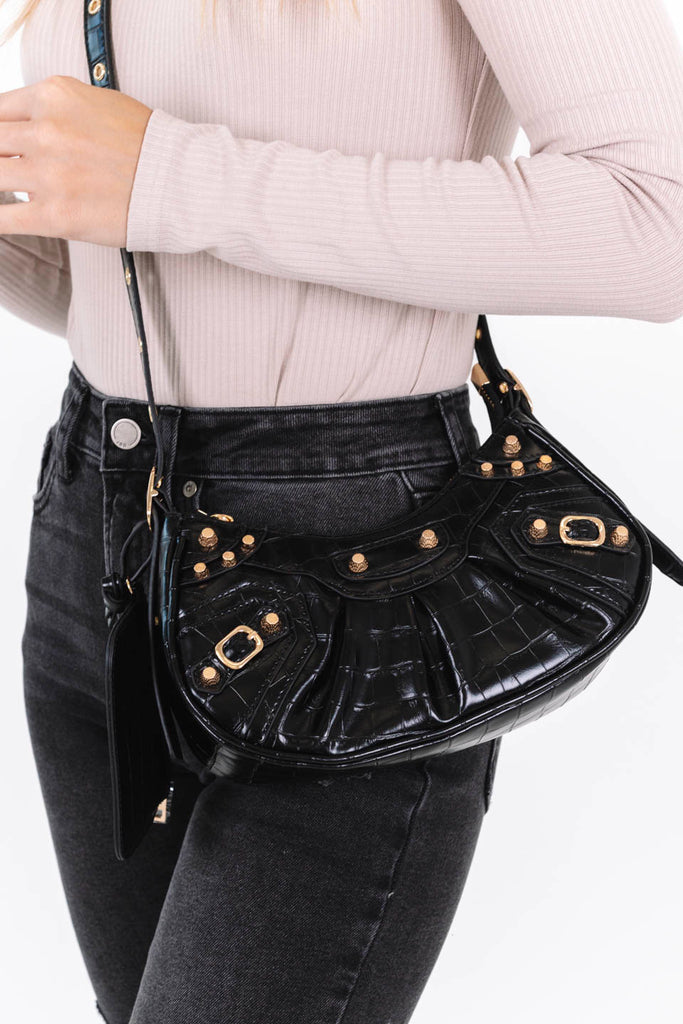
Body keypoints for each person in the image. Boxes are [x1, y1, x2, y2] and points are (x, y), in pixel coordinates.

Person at [1, 1, 682, 1022]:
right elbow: (143, 280)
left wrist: (173, 177)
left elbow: (655, 217)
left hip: (359, 569)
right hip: (95, 531)